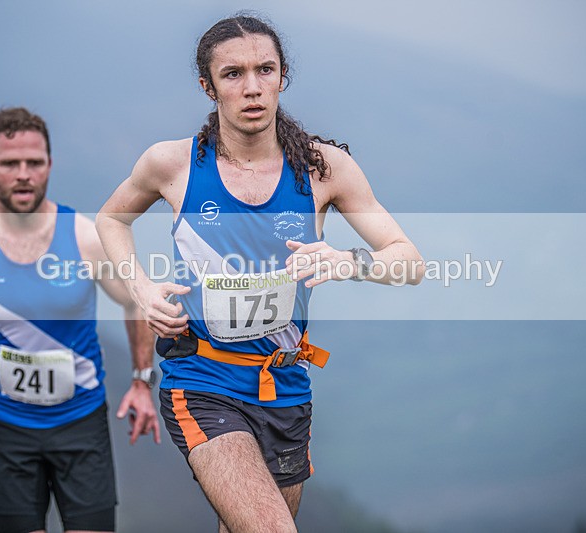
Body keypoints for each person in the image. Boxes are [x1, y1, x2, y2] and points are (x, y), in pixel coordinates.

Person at [96, 14, 424, 533]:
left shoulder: (323, 169)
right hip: (202, 379)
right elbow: (111, 219)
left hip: (285, 384)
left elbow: (409, 262)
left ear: (282, 77)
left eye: (264, 70)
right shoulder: (172, 164)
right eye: (233, 74)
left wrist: (348, 262)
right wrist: (140, 288)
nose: (252, 87)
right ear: (208, 87)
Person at [0, 107, 158, 533]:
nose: (24, 175)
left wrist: (141, 381)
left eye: (35, 162)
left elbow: (137, 302)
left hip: (81, 424)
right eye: (10, 164)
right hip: (4, 431)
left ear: (50, 163)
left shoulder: (84, 238)